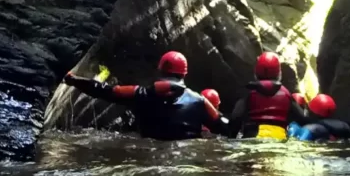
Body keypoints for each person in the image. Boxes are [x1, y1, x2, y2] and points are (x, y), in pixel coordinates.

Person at [62, 51, 227, 141]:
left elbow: (103, 90)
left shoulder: (139, 93)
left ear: (160, 70)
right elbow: (224, 128)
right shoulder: (199, 101)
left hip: (150, 151)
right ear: (184, 74)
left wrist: (73, 79)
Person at [228, 52, 306, 140]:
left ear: (256, 72)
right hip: (279, 139)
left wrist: (231, 138)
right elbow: (302, 119)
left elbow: (235, 118)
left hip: (253, 136)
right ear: (279, 73)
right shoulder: (286, 94)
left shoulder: (249, 93)